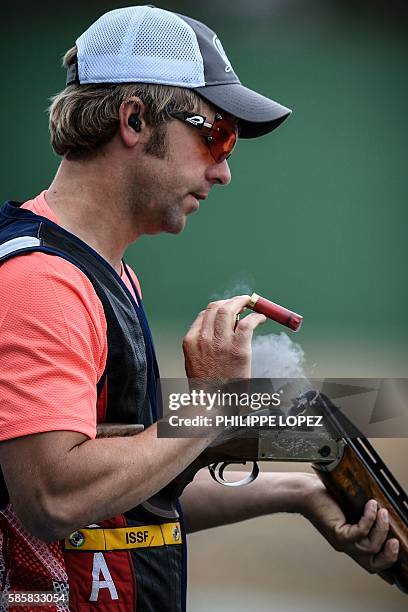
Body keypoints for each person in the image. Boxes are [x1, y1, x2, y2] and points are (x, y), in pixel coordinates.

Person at [0, 6, 399, 611]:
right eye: (215, 134)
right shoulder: (44, 282)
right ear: (134, 118)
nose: (225, 170)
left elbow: (135, 483)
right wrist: (212, 408)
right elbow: (53, 496)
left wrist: (293, 490)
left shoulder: (104, 273)